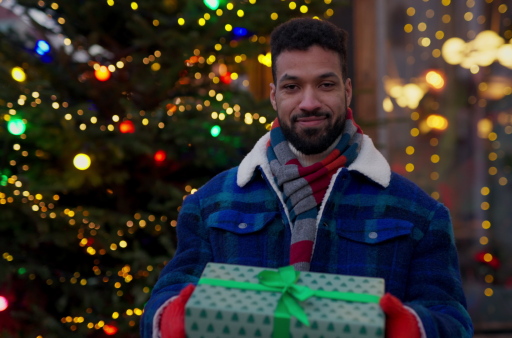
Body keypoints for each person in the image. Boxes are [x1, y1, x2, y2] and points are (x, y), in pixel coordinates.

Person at [140, 17, 473, 338]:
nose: (309, 102)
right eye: (292, 87)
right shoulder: (210, 204)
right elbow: (168, 295)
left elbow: (453, 320)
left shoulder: (420, 214)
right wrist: (169, 316)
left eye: (325, 85)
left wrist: (414, 327)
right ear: (274, 96)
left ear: (347, 90)